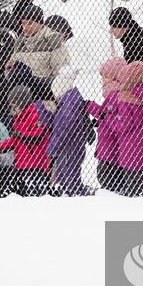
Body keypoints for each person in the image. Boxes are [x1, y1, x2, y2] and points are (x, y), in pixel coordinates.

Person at [90, 58, 143, 197]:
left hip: (124, 150)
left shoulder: (124, 97)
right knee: (141, 188)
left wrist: (104, 117)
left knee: (118, 186)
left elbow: (121, 123)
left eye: (106, 76)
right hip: (140, 149)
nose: (102, 80)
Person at [0, 84, 52, 196]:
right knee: (16, 193)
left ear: (21, 103)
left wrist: (21, 134)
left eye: (14, 104)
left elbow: (37, 136)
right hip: (21, 164)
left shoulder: (36, 115)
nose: (11, 107)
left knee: (33, 193)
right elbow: (15, 140)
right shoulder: (18, 119)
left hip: (36, 165)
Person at [46, 66, 93, 197]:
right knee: (68, 177)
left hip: (68, 149)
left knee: (69, 179)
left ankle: (73, 196)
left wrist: (52, 149)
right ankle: (72, 194)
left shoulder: (67, 108)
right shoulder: (71, 101)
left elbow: (63, 130)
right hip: (73, 147)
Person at [5, 3, 67, 100]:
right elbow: (9, 73)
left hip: (45, 98)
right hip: (21, 99)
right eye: (23, 23)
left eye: (30, 23)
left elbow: (61, 76)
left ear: (40, 23)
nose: (25, 27)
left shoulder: (53, 40)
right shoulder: (20, 42)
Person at [108, 7, 143, 83]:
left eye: (113, 27)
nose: (110, 31)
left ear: (122, 26)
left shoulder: (135, 42)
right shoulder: (140, 33)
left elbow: (134, 74)